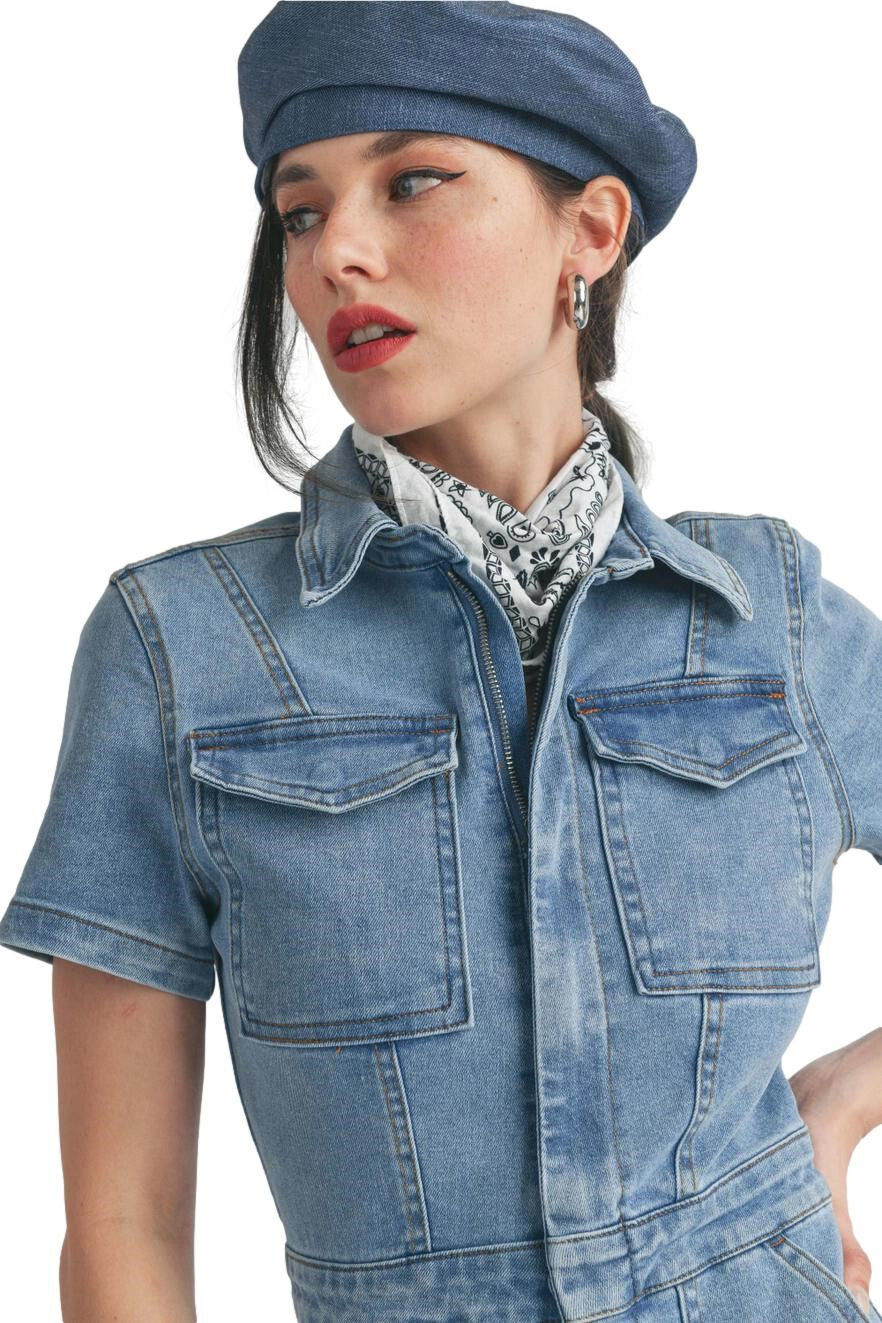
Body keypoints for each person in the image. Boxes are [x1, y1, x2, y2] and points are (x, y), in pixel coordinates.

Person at [1, 3, 880, 1320]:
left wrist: (845, 1096)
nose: (336, 253)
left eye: (413, 182)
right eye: (301, 212)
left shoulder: (772, 613)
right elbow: (123, 1221)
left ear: (591, 231)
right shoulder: (180, 644)